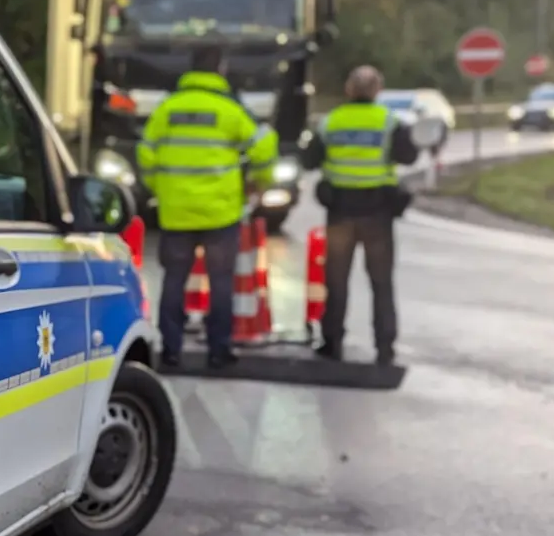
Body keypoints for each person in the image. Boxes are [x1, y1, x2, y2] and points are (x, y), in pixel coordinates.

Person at [139, 48, 278, 369]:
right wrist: (258, 183)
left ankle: (171, 350)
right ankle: (219, 350)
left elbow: (145, 153)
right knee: (221, 281)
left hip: (176, 212)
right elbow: (264, 145)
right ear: (221, 69)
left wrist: (160, 188)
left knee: (174, 279)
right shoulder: (229, 109)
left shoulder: (167, 109)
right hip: (221, 213)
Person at [300, 65, 419, 366]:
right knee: (381, 283)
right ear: (378, 90)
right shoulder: (389, 122)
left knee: (336, 282)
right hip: (378, 214)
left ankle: (332, 344)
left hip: (340, 212)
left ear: (348, 90)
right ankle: (384, 348)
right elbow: (409, 156)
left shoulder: (331, 122)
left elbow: (310, 160)